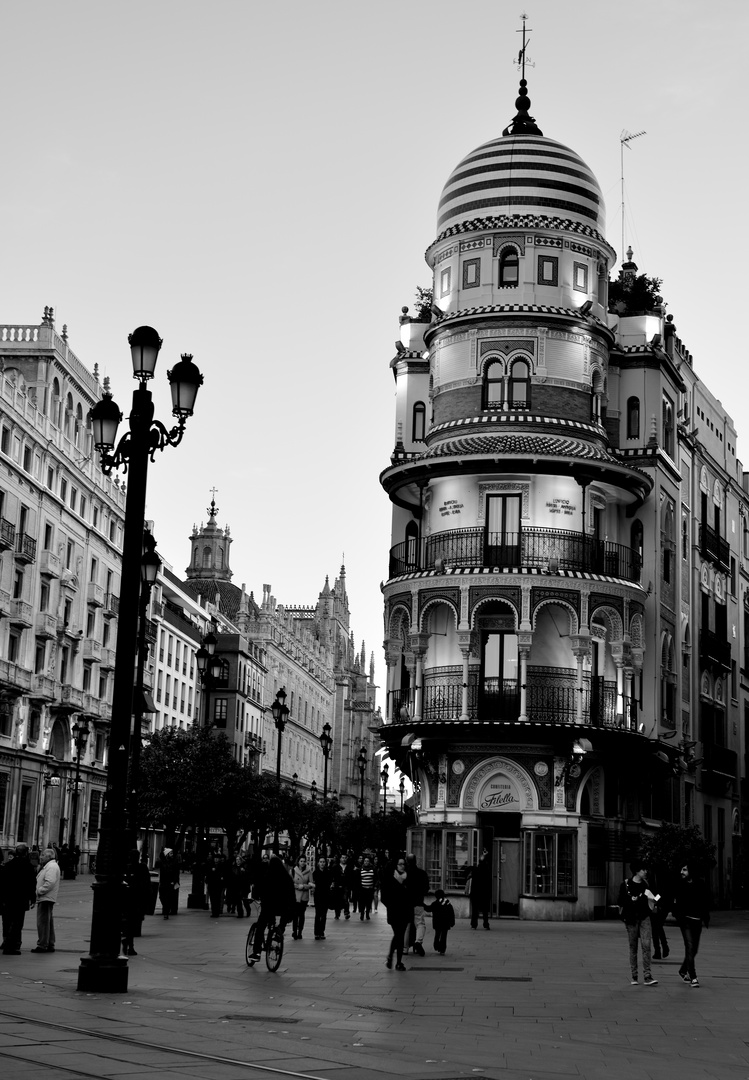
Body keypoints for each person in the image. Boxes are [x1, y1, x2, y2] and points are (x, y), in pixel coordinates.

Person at [248, 851, 295, 962]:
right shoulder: (287, 878)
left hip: (268, 907)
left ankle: (257, 952)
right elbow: (291, 895)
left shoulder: (267, 876)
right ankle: (277, 934)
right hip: (283, 908)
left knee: (260, 927)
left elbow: (259, 889)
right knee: (276, 925)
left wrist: (257, 897)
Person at [617, 860, 658, 986]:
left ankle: (647, 975)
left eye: (646, 869)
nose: (645, 872)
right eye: (643, 869)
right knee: (633, 947)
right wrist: (631, 902)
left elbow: (656, 897)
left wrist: (655, 900)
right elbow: (620, 901)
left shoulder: (646, 885)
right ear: (636, 871)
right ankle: (634, 975)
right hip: (631, 919)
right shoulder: (625, 884)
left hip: (645, 917)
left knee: (646, 946)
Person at [672, 861, 710, 988]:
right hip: (685, 921)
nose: (681, 872)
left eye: (684, 870)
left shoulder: (700, 884)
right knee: (689, 945)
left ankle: (683, 970)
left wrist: (705, 916)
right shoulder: (679, 884)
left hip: (697, 920)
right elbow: (671, 898)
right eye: (681, 869)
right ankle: (693, 976)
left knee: (694, 950)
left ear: (691, 871)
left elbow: (706, 901)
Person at [1, 843, 37, 954]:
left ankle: (7, 942)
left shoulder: (8, 865)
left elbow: (3, 883)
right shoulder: (29, 867)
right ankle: (13, 945)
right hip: (21, 899)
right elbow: (32, 884)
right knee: (17, 923)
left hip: (8, 899)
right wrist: (33, 899)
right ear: (26, 853)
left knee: (7, 921)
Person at [380, 856, 412, 970]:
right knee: (398, 935)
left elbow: (411, 894)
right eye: (400, 864)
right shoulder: (389, 877)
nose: (402, 866)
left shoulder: (408, 878)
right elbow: (383, 896)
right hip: (394, 911)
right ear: (396, 865)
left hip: (404, 911)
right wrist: (391, 905)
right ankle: (393, 959)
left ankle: (396, 961)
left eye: (404, 864)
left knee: (400, 935)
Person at [122, 850, 152, 956]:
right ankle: (130, 945)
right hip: (137, 900)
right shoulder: (142, 867)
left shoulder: (126, 867)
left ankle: (128, 943)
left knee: (128, 922)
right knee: (133, 923)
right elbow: (147, 884)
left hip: (127, 899)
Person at [32, 848, 60, 953]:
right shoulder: (49, 866)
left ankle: (42, 944)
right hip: (46, 897)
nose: (41, 857)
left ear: (48, 857)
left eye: (43, 855)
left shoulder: (51, 867)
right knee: (48, 922)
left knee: (43, 922)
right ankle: (50, 943)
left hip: (45, 897)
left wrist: (39, 891)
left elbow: (49, 882)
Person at [405, 852, 429, 956]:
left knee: (406, 925)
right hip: (418, 902)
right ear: (416, 861)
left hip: (406, 903)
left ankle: (404, 948)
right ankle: (418, 942)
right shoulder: (422, 873)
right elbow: (426, 889)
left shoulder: (404, 874)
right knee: (420, 923)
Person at [467, 848, 492, 930]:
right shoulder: (487, 871)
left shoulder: (475, 870)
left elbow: (466, 871)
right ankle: (486, 924)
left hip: (475, 893)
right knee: (485, 910)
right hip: (484, 893)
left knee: (475, 909)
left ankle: (474, 924)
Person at [424, 889, 455, 954]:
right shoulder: (448, 904)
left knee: (437, 934)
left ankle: (436, 945)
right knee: (444, 936)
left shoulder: (435, 904)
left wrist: (422, 904)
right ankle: (442, 948)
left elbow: (428, 909)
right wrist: (452, 922)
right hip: (446, 923)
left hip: (437, 923)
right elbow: (451, 913)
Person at [311, 856, 333, 940]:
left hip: (326, 895)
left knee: (324, 915)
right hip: (318, 895)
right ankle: (316, 932)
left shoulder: (328, 872)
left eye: (323, 862)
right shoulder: (315, 873)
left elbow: (330, 882)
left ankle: (322, 931)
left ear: (326, 863)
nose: (322, 863)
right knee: (318, 914)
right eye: (321, 862)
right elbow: (313, 883)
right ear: (318, 863)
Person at [155, 847, 180, 919]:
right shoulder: (163, 862)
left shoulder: (174, 862)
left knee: (167, 897)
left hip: (169, 882)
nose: (172, 854)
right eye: (170, 853)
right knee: (162, 897)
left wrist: (175, 881)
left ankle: (166, 912)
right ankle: (166, 909)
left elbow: (176, 873)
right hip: (163, 882)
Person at [292, 856, 312, 939]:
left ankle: (300, 931)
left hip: (304, 896)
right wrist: (297, 886)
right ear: (298, 862)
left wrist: (304, 886)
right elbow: (290, 882)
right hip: (295, 895)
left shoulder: (309, 871)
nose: (303, 863)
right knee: (295, 915)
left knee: (301, 914)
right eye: (301, 861)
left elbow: (311, 883)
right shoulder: (293, 871)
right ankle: (294, 931)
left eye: (304, 861)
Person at [205, 852, 228, 917]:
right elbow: (208, 874)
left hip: (218, 885)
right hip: (212, 884)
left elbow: (223, 874)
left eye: (217, 858)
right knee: (212, 899)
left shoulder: (221, 865)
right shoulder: (210, 865)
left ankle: (217, 912)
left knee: (217, 898)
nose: (216, 860)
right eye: (215, 858)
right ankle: (213, 912)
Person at [358, 856, 375, 921]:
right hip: (363, 889)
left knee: (368, 902)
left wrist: (375, 886)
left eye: (367, 861)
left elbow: (375, 878)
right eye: (365, 861)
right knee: (362, 903)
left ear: (369, 862)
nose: (366, 862)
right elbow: (358, 879)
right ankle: (362, 914)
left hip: (370, 889)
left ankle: (367, 914)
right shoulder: (361, 869)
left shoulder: (372, 869)